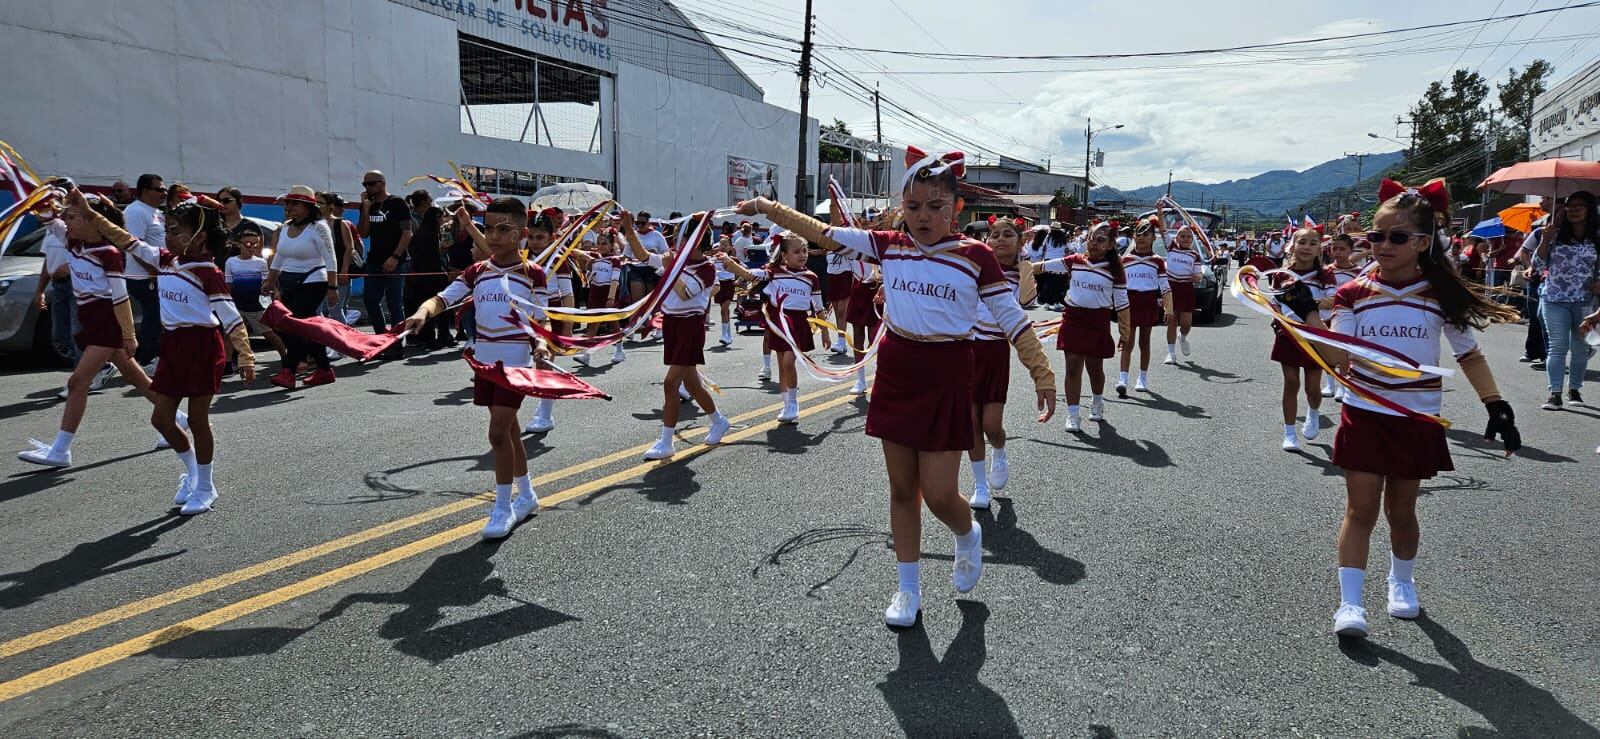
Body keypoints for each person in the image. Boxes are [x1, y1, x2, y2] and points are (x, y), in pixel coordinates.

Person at [734, 147, 1057, 629]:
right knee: (903, 489)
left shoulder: (977, 257)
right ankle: (908, 588)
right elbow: (823, 232)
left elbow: (1012, 319)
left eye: (934, 207)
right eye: (913, 207)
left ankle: (966, 534)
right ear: (901, 208)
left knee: (940, 492)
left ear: (956, 210)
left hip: (948, 371)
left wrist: (1042, 373)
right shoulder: (888, 244)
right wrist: (766, 208)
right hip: (899, 369)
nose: (923, 217)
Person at [1315, 180, 1520, 638]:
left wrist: (1496, 404)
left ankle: (1401, 583)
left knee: (1402, 511)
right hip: (1364, 410)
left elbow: (1469, 354)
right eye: (1376, 236)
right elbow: (1337, 357)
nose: (1383, 246)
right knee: (1360, 508)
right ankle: (1350, 604)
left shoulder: (1439, 295)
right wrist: (1307, 320)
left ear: (1423, 242)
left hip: (1415, 416)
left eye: (1397, 237)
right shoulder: (1353, 293)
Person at [399, 199, 549, 539]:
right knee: (509, 432)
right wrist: (423, 312)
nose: (493, 236)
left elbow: (542, 318)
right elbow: (444, 297)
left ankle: (503, 507)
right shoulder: (477, 272)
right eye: (489, 227)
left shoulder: (532, 274)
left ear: (521, 234)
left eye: (503, 229)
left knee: (497, 433)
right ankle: (526, 495)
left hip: (514, 364)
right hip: (485, 360)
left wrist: (540, 345)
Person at [17, 190, 178, 468]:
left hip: (107, 320)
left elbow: (120, 297)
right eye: (66, 217)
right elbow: (49, 221)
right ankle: (176, 420)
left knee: (77, 382)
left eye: (74, 218)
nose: (67, 222)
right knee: (138, 379)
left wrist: (128, 334)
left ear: (95, 222)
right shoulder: (73, 243)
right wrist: (41, 200)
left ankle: (61, 449)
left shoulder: (109, 254)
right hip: (90, 318)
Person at [140, 202, 258, 514]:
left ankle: (205, 486)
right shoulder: (165, 260)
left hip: (202, 345)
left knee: (197, 418)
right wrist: (87, 211)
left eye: (176, 232)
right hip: (173, 345)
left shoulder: (209, 272)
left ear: (200, 237)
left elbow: (232, 319)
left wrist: (246, 356)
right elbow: (125, 241)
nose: (168, 237)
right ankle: (193, 475)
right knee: (161, 419)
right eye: (166, 230)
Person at [619, 209, 732, 460]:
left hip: (689, 327)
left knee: (671, 384)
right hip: (672, 324)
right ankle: (718, 420)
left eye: (682, 239)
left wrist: (671, 268)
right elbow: (644, 256)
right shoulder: (676, 260)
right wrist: (628, 229)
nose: (677, 244)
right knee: (691, 382)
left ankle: (666, 441)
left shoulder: (706, 268)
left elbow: (685, 293)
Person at [965, 217, 1039, 507]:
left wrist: (1025, 269)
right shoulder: (973, 272)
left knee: (991, 424)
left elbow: (1028, 301)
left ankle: (1000, 448)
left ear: (1020, 242)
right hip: (968, 350)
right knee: (970, 421)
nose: (1000, 239)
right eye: (994, 235)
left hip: (996, 352)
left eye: (1009, 235)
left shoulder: (1021, 273)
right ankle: (979, 484)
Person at [721, 234, 823, 423]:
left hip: (798, 322)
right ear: (784, 255)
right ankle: (786, 404)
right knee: (781, 366)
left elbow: (818, 306)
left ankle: (793, 403)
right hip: (778, 321)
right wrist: (730, 263)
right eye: (796, 252)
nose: (802, 255)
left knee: (788, 362)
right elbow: (749, 274)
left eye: (804, 251)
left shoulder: (811, 277)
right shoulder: (774, 272)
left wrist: (825, 332)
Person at [1039, 221, 1129, 432]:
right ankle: (1073, 414)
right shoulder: (1075, 261)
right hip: (1073, 318)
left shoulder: (1115, 270)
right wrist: (1016, 266)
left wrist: (1125, 332)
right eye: (1091, 239)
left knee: (1095, 369)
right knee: (1072, 365)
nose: (1094, 244)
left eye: (1101, 240)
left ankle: (1097, 402)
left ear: (1109, 245)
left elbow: (1123, 304)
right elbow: (1043, 266)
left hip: (1098, 321)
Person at [262, 186, 340, 389]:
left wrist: (332, 287)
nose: (288, 208)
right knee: (304, 327)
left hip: (314, 280)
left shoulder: (319, 228)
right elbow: (279, 256)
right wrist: (270, 281)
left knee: (296, 325)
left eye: (293, 204)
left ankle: (289, 370)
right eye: (287, 204)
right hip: (290, 282)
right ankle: (324, 369)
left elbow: (331, 260)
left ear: (307, 207)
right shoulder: (286, 227)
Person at [1531, 190, 1599, 410]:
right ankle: (1555, 393)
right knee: (1557, 346)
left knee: (1580, 348)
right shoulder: (1554, 233)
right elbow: (1538, 266)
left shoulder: (1597, 237)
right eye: (1570, 206)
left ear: (1589, 210)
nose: (1574, 210)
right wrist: (1545, 240)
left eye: (1580, 206)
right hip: (1554, 298)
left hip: (1585, 301)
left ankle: (1575, 389)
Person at [1271, 227, 1334, 451]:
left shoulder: (1325, 274)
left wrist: (1310, 306)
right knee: (1291, 382)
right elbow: (1275, 304)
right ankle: (1289, 433)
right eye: (1302, 242)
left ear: (1320, 248)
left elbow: (1333, 300)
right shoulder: (1281, 275)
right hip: (1288, 335)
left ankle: (1313, 412)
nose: (1307, 247)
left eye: (1313, 243)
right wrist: (1278, 320)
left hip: (1316, 335)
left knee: (1312, 387)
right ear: (1293, 246)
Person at [357, 170, 411, 357]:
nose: (367, 188)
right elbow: (363, 233)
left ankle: (397, 344)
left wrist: (395, 256)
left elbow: (407, 232)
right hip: (374, 260)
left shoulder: (397, 203)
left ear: (382, 183)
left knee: (394, 303)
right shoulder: (368, 206)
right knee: (371, 300)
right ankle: (382, 340)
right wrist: (365, 209)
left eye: (370, 184)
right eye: (365, 185)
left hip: (396, 260)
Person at [1116, 217, 1171, 396]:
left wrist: (1169, 308)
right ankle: (1123, 378)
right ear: (1133, 236)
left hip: (1148, 302)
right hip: (1129, 302)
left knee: (1144, 341)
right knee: (1127, 340)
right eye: (1138, 234)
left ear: (1153, 238)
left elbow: (1164, 286)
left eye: (1146, 234)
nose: (1141, 238)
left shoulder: (1157, 261)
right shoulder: (1125, 259)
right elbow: (1118, 285)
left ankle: (1142, 377)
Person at [122, 173, 167, 373]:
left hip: (159, 272)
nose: (163, 193)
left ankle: (154, 356)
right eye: (159, 189)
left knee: (159, 316)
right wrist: (153, 270)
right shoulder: (136, 212)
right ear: (145, 191)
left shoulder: (155, 212)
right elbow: (133, 245)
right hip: (143, 275)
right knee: (153, 315)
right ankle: (147, 360)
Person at [225, 228, 287, 368]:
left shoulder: (260, 263)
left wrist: (273, 292)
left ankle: (285, 356)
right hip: (237, 305)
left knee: (269, 334)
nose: (252, 247)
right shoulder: (231, 262)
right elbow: (228, 284)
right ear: (238, 245)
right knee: (230, 334)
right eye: (248, 244)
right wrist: (227, 303)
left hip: (256, 306)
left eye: (256, 244)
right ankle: (227, 364)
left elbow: (267, 283)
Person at [402, 190, 451, 347]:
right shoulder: (428, 236)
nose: (444, 220)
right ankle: (438, 336)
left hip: (422, 278)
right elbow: (433, 259)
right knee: (437, 306)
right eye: (442, 217)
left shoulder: (427, 233)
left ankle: (429, 337)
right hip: (431, 277)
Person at [573, 228, 627, 367]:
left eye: (604, 243)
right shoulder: (595, 256)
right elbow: (574, 252)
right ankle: (586, 354)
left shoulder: (614, 260)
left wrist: (610, 298)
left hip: (608, 294)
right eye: (598, 243)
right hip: (595, 294)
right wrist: (588, 258)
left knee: (613, 325)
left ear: (611, 245)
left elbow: (615, 280)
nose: (600, 246)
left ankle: (620, 351)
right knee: (592, 325)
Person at [1326, 234, 1364, 403]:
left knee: (1345, 353)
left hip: (1348, 316)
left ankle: (1343, 385)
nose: (1338, 252)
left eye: (1342, 249)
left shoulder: (1358, 273)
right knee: (1327, 351)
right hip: (1327, 316)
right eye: (1335, 249)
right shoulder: (1326, 271)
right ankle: (1329, 384)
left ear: (1351, 250)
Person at [318, 191, 362, 326]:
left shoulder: (341, 224)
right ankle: (323, 341)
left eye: (320, 203)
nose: (316, 206)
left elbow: (351, 248)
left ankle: (344, 342)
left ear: (330, 206)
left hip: (337, 273)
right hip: (318, 273)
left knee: (335, 309)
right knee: (317, 309)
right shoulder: (314, 223)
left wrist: (344, 270)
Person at [1162, 225, 1202, 365]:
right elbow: (1163, 229)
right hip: (1171, 288)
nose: (1185, 239)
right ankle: (1171, 353)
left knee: (1186, 323)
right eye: (1182, 236)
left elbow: (1198, 273)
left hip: (1186, 289)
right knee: (1171, 322)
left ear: (1192, 239)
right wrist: (1160, 213)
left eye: (1188, 236)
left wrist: (1197, 276)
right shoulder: (1171, 246)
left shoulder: (1195, 255)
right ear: (1177, 237)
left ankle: (1183, 337)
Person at [712, 233, 739, 346]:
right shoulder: (713, 259)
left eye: (725, 245)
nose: (722, 246)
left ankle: (724, 335)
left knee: (724, 310)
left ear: (730, 247)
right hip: (718, 285)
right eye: (721, 244)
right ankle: (728, 335)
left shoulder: (732, 259)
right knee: (725, 311)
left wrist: (738, 281)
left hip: (729, 285)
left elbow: (744, 270)